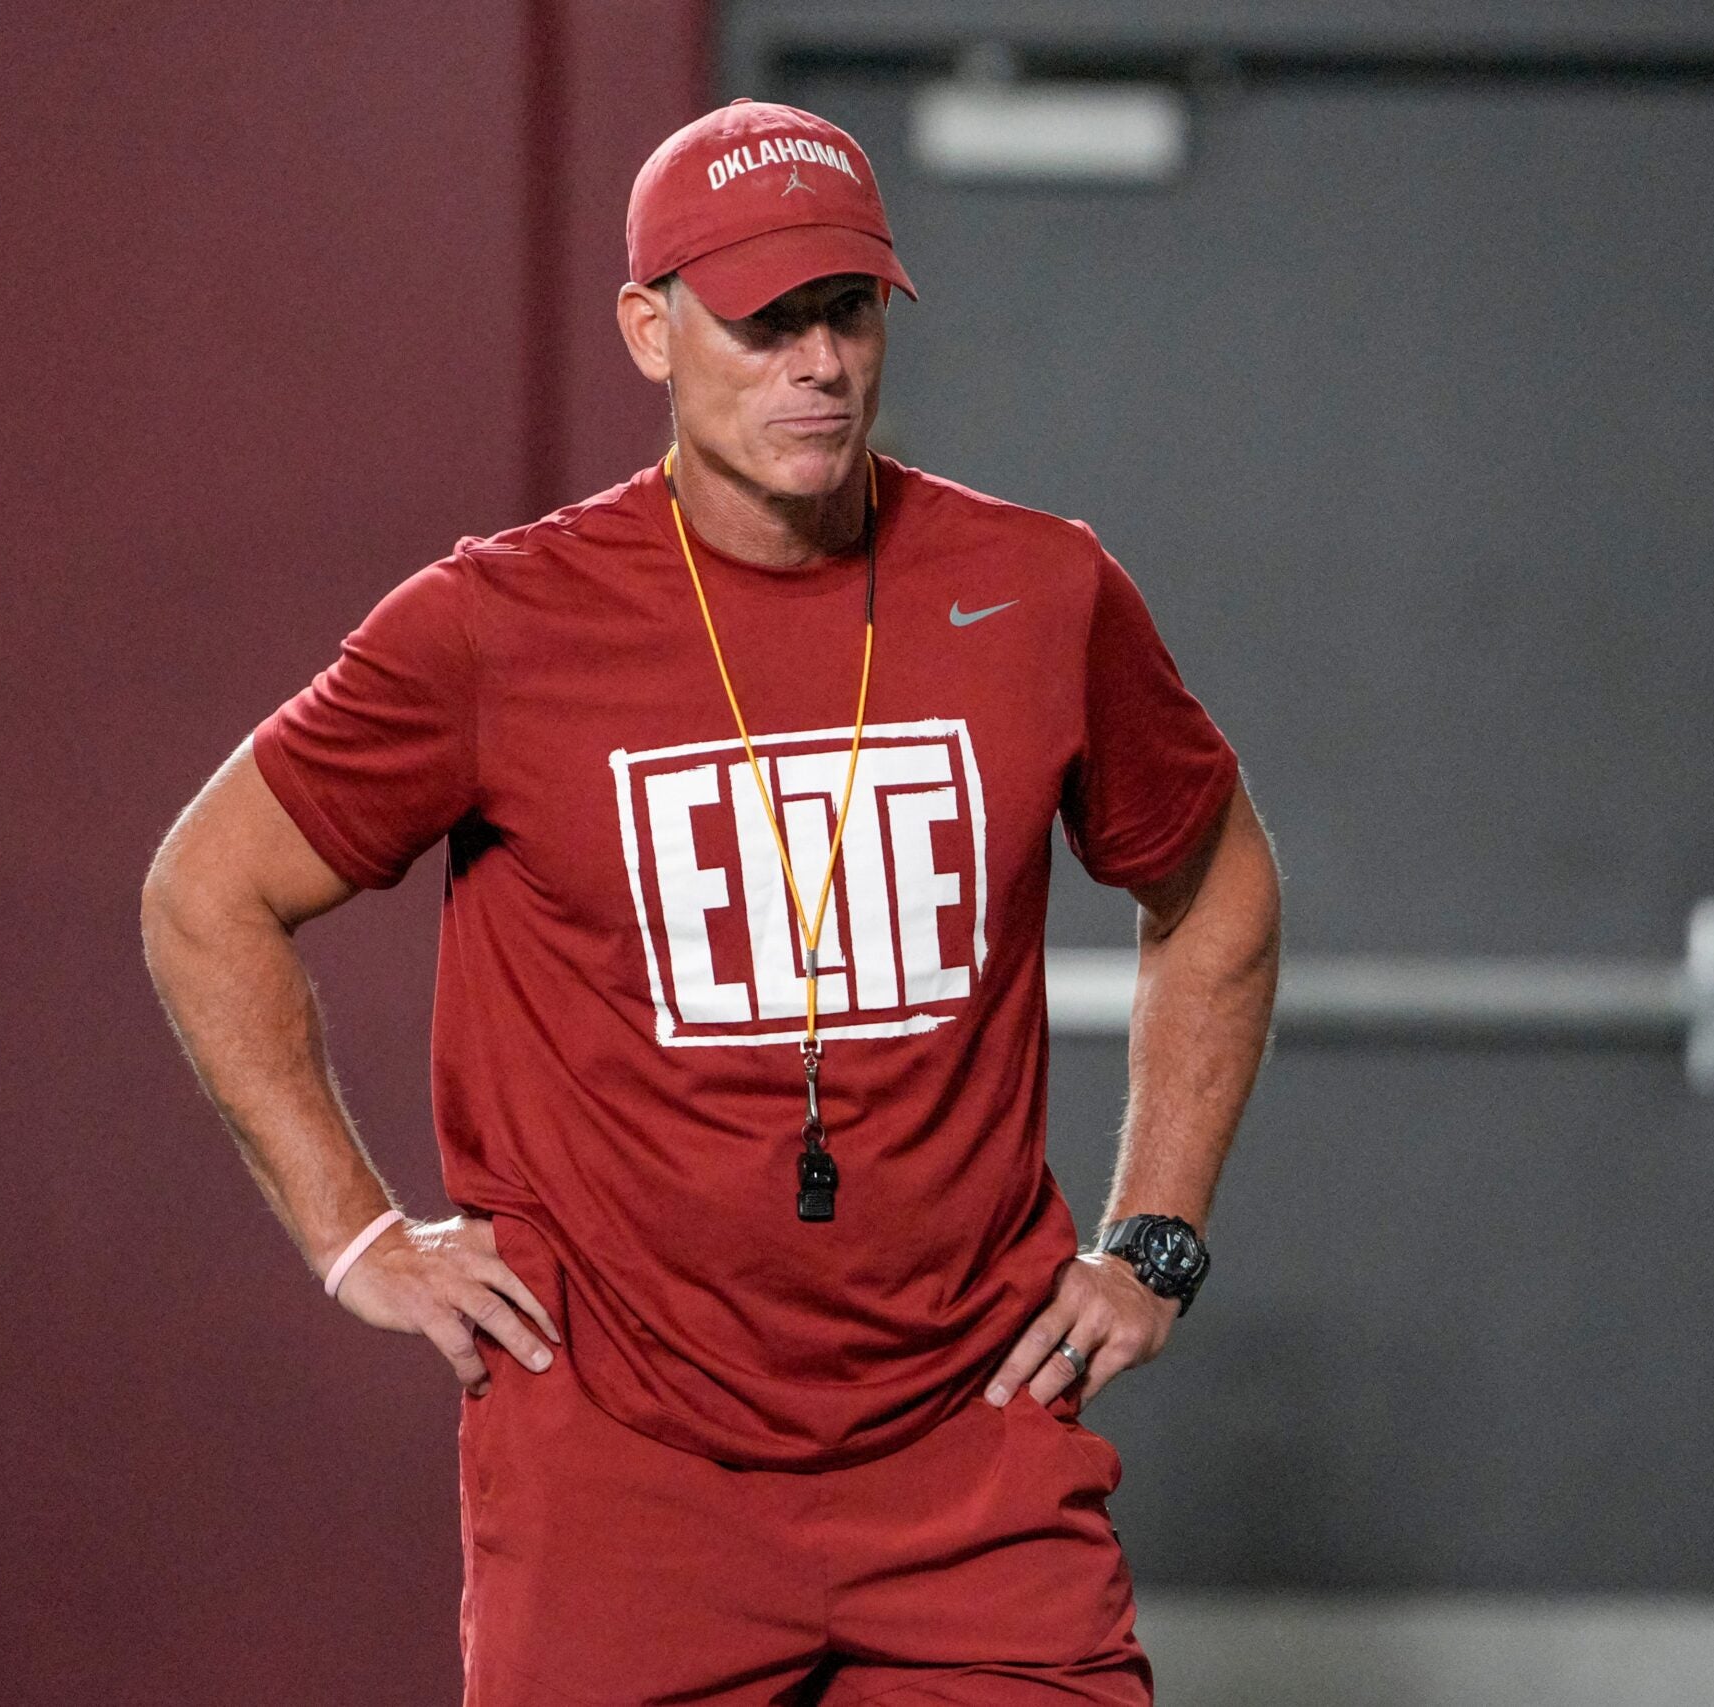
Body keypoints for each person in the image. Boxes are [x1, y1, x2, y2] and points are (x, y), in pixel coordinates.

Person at [140, 98, 1280, 1704]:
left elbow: (1218, 886)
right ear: (650, 332)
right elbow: (208, 892)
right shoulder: (498, 626)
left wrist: (1153, 1238)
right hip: (621, 1482)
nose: (816, 363)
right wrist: (355, 1238)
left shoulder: (1039, 590)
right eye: (762, 323)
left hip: (970, 1460)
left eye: (847, 312)